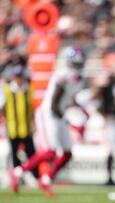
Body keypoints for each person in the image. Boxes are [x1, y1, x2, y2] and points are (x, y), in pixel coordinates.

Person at [8, 46, 85, 196]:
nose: (78, 66)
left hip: (59, 114)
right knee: (50, 152)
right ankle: (17, 172)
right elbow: (55, 101)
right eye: (76, 63)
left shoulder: (77, 78)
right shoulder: (63, 74)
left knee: (68, 153)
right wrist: (68, 116)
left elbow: (69, 99)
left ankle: (46, 179)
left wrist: (78, 110)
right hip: (48, 113)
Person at [0, 65, 38, 181]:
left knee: (32, 154)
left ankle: (35, 177)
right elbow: (2, 108)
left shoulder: (29, 89)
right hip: (13, 128)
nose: (19, 78)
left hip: (27, 128)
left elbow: (32, 108)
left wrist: (33, 122)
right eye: (17, 76)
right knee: (14, 155)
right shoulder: (7, 90)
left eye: (20, 76)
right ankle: (16, 179)